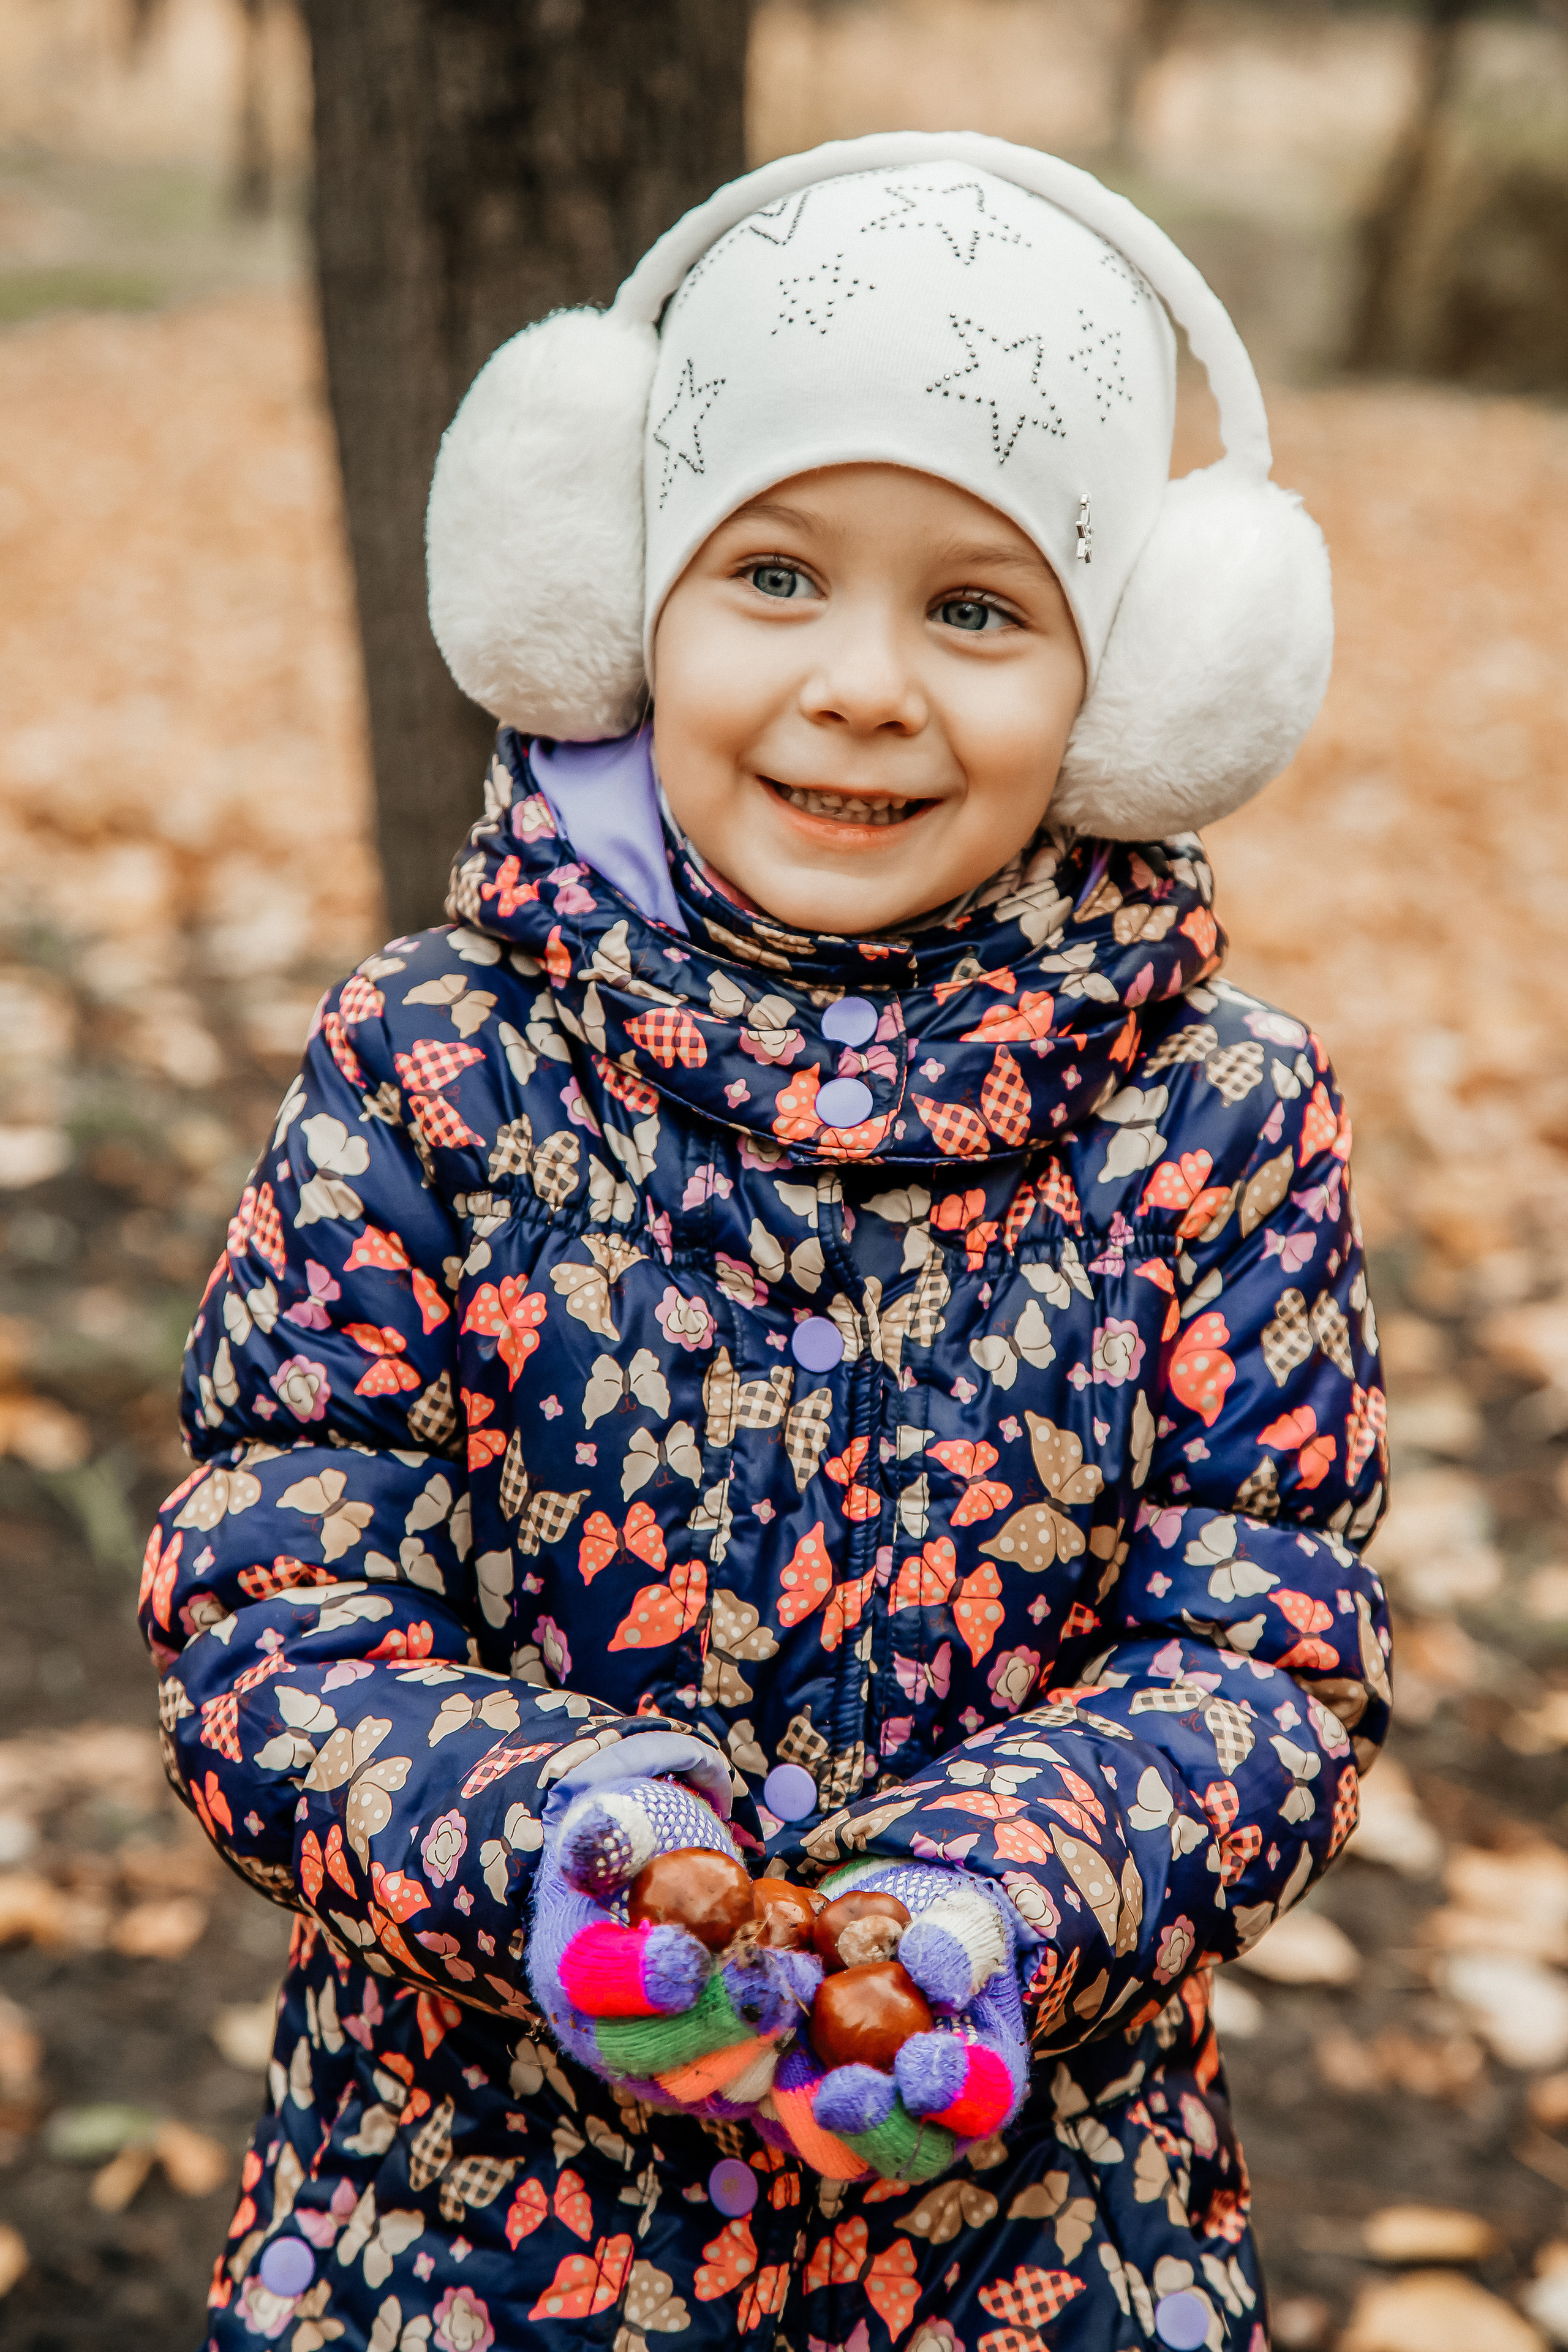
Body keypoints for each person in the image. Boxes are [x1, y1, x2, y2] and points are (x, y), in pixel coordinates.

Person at [141, 132, 1390, 2352]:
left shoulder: (1221, 1121)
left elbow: (1270, 1644)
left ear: (1142, 686)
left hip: (1029, 2250)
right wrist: (576, 1852)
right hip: (463, 2229)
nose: (866, 684)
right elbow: (272, 1600)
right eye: (779, 574)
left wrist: (994, 1900)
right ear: (618, 602)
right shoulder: (437, 1064)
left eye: (983, 609)